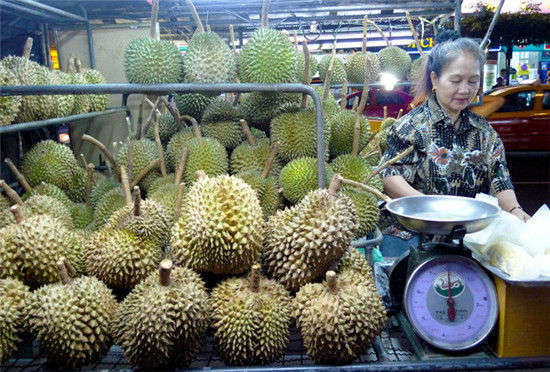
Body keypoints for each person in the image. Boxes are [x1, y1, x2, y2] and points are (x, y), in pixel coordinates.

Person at [378, 34, 530, 257]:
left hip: (469, 235)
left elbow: (500, 179)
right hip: (415, 233)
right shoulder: (408, 127)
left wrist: (516, 211)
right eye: (456, 81)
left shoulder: (485, 133)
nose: (465, 90)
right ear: (435, 79)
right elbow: (390, 175)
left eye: (473, 81)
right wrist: (427, 207)